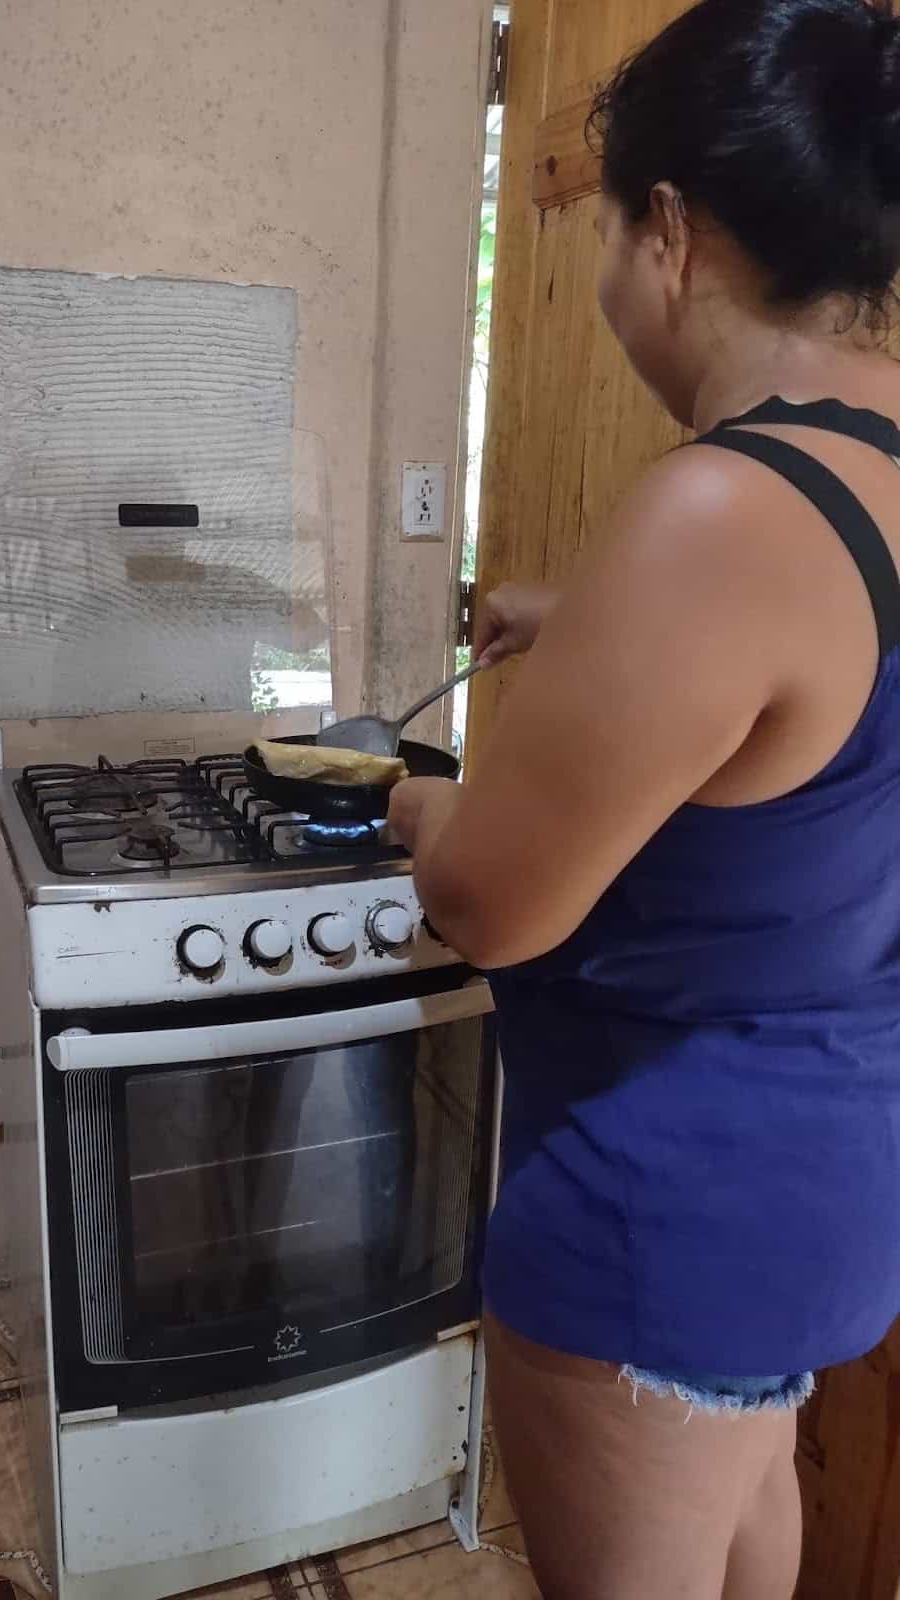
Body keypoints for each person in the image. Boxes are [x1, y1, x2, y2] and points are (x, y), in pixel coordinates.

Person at [387, 1, 900, 1594]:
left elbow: (484, 902)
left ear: (667, 232)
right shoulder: (862, 486)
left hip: (660, 1208)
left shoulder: (716, 512)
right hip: (829, 1177)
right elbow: (814, 721)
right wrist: (580, 621)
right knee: (753, 1502)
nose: (607, 282)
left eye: (603, 236)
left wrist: (412, 797)